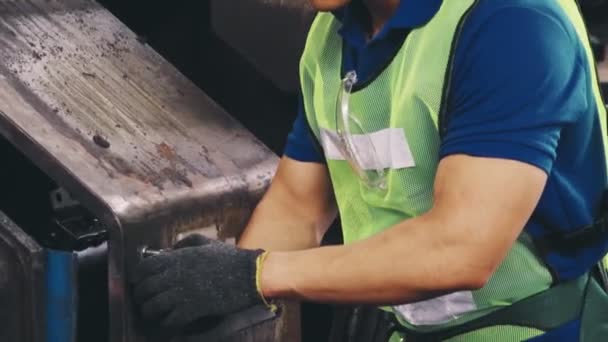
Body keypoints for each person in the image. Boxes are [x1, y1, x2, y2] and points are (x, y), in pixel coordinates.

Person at [130, 0, 608, 340]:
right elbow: (299, 206)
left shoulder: (511, 21)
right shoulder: (335, 38)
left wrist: (255, 275)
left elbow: (462, 246)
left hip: (537, 331)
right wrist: (213, 285)